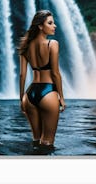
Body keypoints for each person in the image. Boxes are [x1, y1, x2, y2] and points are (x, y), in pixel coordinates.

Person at [18, 10, 66, 151]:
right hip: (48, 92)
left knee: (36, 141)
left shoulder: (25, 46)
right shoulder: (52, 44)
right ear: (40, 26)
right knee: (47, 143)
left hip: (30, 94)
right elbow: (56, 73)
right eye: (50, 23)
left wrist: (22, 98)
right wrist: (61, 97)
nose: (54, 26)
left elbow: (22, 75)